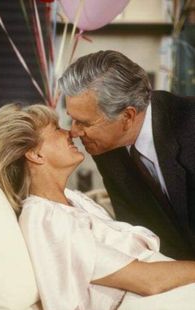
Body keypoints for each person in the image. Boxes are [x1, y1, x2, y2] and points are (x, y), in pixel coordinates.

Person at [0, 103, 195, 310]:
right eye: (57, 128)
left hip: (172, 292)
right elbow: (148, 281)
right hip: (157, 306)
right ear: (36, 154)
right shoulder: (44, 220)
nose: (71, 132)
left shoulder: (73, 201)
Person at [58, 50, 195, 260]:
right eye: (72, 120)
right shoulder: (107, 147)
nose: (74, 133)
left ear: (128, 116)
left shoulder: (189, 124)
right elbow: (137, 234)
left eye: (84, 123)